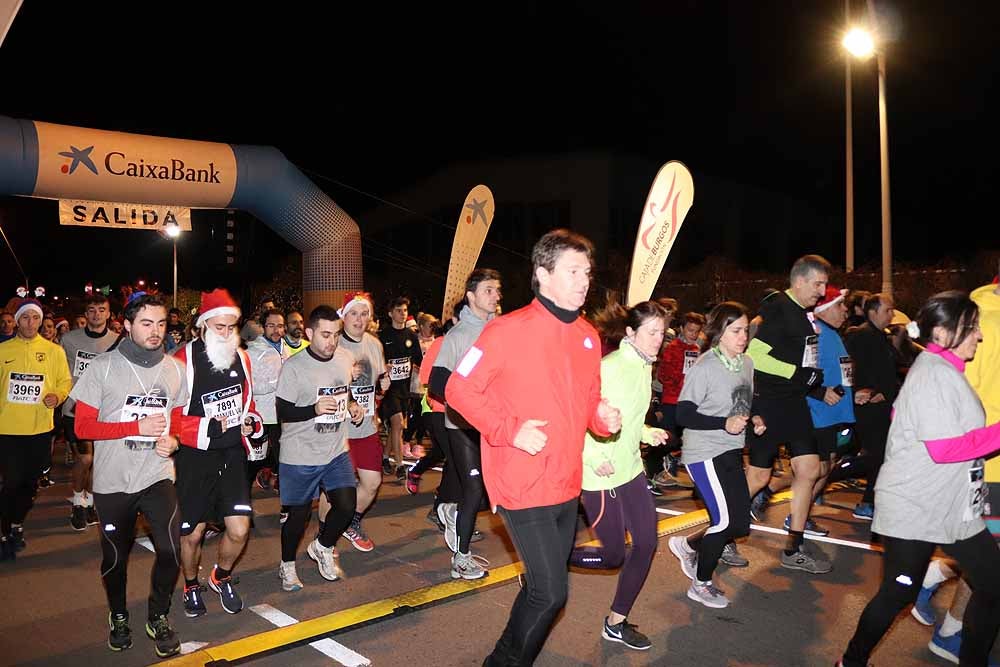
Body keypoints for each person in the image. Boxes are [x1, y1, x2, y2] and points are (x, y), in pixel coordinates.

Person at [446, 229, 622, 666]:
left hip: (566, 481)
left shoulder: (588, 336)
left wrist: (603, 419)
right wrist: (511, 428)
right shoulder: (505, 331)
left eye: (587, 271)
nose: (584, 280)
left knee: (543, 591)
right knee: (551, 591)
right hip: (520, 480)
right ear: (543, 274)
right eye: (573, 271)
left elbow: (587, 404)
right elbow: (458, 390)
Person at [838, 291, 1000, 667]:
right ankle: (851, 661)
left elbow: (909, 421)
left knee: (993, 586)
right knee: (897, 592)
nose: (979, 335)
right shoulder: (931, 373)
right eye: (971, 328)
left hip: (954, 506)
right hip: (915, 507)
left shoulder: (945, 373)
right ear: (942, 334)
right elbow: (944, 449)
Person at [70, 294, 187, 657]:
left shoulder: (174, 368)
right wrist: (134, 425)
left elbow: (178, 414)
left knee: (171, 550)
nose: (156, 332)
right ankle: (119, 615)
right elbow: (82, 427)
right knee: (116, 558)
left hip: (156, 474)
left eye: (161, 324)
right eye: (147, 323)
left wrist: (174, 438)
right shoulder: (103, 367)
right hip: (113, 481)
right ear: (128, 325)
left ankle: (157, 615)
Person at [569, 300, 669, 649]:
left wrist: (646, 433)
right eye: (651, 332)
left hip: (630, 470)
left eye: (661, 332)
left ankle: (616, 621)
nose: (658, 339)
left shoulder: (643, 365)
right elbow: (580, 415)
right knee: (613, 555)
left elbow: (627, 416)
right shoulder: (610, 367)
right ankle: (546, 562)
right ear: (630, 332)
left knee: (646, 544)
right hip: (600, 475)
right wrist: (595, 456)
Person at [171, 289, 265, 616]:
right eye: (218, 327)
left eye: (230, 327)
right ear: (202, 325)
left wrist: (252, 422)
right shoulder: (181, 361)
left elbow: (247, 404)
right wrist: (209, 426)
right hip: (194, 457)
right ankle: (191, 584)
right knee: (193, 534)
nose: (226, 333)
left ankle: (220, 576)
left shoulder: (243, 357)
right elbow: (168, 418)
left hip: (231, 456)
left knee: (239, 530)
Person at [668, 302, 764, 608]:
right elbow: (683, 414)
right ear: (720, 332)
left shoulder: (746, 363)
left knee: (739, 525)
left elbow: (746, 401)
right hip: (703, 452)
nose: (743, 336)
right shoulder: (705, 366)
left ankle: (687, 544)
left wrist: (757, 417)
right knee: (723, 522)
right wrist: (723, 423)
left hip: (731, 450)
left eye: (745, 330)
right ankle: (701, 583)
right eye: (736, 330)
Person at [745, 254, 833, 574]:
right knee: (758, 477)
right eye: (818, 284)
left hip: (794, 403)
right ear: (799, 281)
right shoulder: (781, 307)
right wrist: (798, 374)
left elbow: (798, 359)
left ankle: (793, 546)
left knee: (809, 469)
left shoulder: (803, 313)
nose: (822, 292)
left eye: (824, 285)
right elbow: (755, 355)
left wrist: (814, 384)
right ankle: (718, 533)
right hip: (770, 404)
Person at [274, 305, 364, 591]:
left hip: (335, 450)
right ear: (310, 333)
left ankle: (323, 546)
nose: (332, 342)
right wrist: (313, 409)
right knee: (298, 518)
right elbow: (284, 412)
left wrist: (352, 406)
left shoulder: (344, 358)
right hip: (300, 453)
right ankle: (287, 565)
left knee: (347, 505)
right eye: (325, 335)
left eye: (336, 335)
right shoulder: (294, 366)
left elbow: (343, 392)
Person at [429, 269, 502, 579]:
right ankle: (461, 557)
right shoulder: (459, 336)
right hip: (462, 426)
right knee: (473, 488)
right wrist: (467, 403)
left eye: (497, 290)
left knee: (490, 489)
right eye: (488, 290)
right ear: (471, 296)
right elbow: (436, 382)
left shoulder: (501, 331)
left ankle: (451, 512)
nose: (496, 295)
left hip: (494, 423)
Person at [0, 299, 72, 559]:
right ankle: (5, 530)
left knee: (30, 484)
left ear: (41, 321)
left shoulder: (54, 351)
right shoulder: (3, 350)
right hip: (7, 429)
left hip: (40, 429)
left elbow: (65, 381)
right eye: (25, 318)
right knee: (11, 482)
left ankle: (16, 523)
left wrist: (58, 395)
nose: (30, 323)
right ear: (17, 321)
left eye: (35, 318)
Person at [336, 292, 389, 552]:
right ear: (343, 316)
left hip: (366, 426)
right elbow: (321, 384)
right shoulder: (333, 345)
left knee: (371, 483)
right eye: (353, 313)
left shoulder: (374, 344)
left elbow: (378, 380)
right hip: (337, 429)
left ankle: (350, 521)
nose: (359, 319)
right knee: (336, 491)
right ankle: (326, 536)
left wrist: (383, 385)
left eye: (364, 313)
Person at [61, 294, 118, 530]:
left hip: (105, 411)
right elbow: (59, 372)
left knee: (100, 463)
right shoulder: (69, 339)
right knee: (85, 459)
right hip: (75, 409)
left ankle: (92, 502)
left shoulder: (118, 341)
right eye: (92, 310)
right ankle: (77, 501)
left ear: (108, 313)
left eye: (101, 310)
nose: (96, 314)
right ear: (86, 314)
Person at [844, 293, 899, 520]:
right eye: (888, 310)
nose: (892, 314)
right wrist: (866, 391)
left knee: (879, 456)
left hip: (882, 405)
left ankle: (870, 501)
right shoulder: (862, 336)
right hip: (867, 406)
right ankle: (826, 478)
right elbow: (850, 370)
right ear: (873, 312)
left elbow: (890, 370)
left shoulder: (881, 337)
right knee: (874, 455)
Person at [653, 311, 704, 489]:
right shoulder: (673, 348)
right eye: (690, 330)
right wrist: (682, 378)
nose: (694, 335)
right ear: (682, 328)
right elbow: (663, 376)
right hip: (672, 400)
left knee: (688, 439)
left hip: (689, 401)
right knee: (667, 438)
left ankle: (673, 464)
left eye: (697, 331)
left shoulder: (697, 350)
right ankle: (654, 469)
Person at [378, 296, 423, 474]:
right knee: (397, 423)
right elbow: (376, 361)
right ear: (390, 313)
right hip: (389, 389)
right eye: (398, 310)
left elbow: (419, 360)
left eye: (405, 310)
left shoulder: (411, 335)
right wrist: (383, 366)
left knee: (396, 427)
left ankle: (384, 457)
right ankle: (399, 465)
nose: (402, 314)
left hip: (405, 389)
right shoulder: (383, 336)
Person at [247, 309, 288, 492]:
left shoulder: (286, 348)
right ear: (263, 327)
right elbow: (250, 385)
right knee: (256, 457)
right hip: (262, 414)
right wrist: (277, 383)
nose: (276, 330)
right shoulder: (253, 351)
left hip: (283, 412)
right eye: (271, 325)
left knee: (283, 452)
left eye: (279, 326)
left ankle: (277, 482)